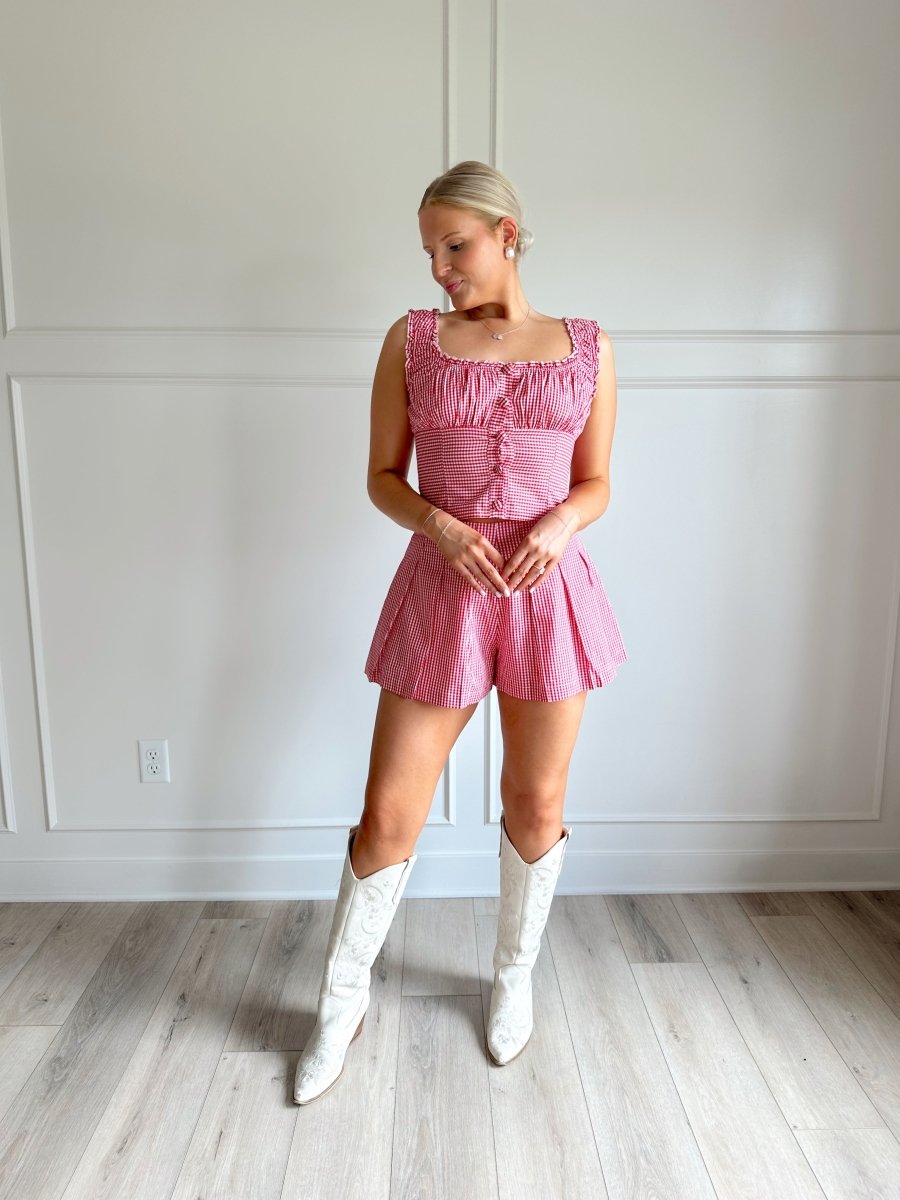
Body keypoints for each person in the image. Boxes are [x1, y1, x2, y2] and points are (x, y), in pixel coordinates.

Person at [293, 160, 627, 1106]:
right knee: (387, 815)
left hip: (546, 595)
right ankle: (340, 1003)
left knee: (536, 802)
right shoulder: (412, 341)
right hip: (443, 591)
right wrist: (439, 525)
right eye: (430, 252)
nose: (441, 268)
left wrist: (562, 521)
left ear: (506, 235)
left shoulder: (587, 346)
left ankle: (512, 979)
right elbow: (381, 476)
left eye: (456, 246)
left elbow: (596, 481)